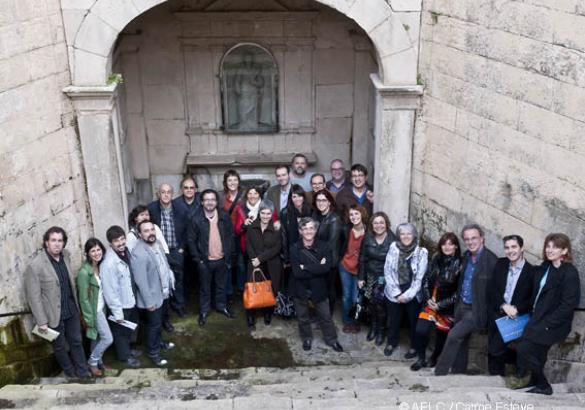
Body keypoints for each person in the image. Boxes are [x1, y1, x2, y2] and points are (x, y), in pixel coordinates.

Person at [512, 233, 580, 395]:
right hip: (536, 317)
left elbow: (569, 304)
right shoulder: (545, 266)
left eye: (555, 247)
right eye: (548, 246)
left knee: (524, 349)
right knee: (538, 353)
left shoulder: (569, 272)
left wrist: (549, 323)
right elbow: (535, 292)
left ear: (564, 251)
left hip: (552, 323)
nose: (550, 250)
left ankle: (544, 385)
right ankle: (534, 382)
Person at [24, 227, 89, 379]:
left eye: (60, 240)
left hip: (71, 310)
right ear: (46, 242)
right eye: (53, 240)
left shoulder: (66, 256)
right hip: (53, 315)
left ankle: (83, 372)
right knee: (59, 346)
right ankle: (70, 373)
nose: (57, 244)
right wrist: (41, 321)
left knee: (77, 341)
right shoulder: (36, 266)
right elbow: (34, 297)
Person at [435, 224, 498, 375]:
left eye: (474, 238)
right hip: (461, 306)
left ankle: (440, 373)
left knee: (453, 335)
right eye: (467, 239)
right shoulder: (466, 257)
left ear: (482, 238)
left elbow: (496, 290)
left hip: (476, 310)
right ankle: (458, 372)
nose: (470, 242)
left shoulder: (492, 261)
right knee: (461, 341)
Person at [289, 217, 343, 352]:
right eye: (305, 228)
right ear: (300, 231)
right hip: (300, 288)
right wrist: (317, 266)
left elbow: (326, 268)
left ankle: (332, 340)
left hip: (319, 287)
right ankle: (306, 338)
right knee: (302, 317)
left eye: (311, 228)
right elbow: (297, 272)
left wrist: (305, 266)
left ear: (316, 230)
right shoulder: (294, 248)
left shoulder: (324, 246)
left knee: (325, 316)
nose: (308, 231)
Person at [410, 233, 462, 371]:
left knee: (441, 336)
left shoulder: (461, 264)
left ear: (456, 246)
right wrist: (428, 298)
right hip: (431, 302)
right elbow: (426, 280)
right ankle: (421, 358)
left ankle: (434, 358)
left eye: (451, 244)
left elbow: (458, 293)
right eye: (444, 243)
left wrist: (441, 304)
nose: (447, 247)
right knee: (420, 330)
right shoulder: (436, 258)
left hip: (446, 307)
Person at [487, 235, 533, 376]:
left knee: (495, 349)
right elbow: (491, 289)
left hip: (515, 317)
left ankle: (522, 360)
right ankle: (495, 378)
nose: (510, 251)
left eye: (514, 247)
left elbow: (532, 300)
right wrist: (502, 305)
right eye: (507, 247)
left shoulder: (531, 271)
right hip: (497, 311)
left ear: (522, 248)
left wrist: (516, 309)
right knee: (492, 350)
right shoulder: (500, 264)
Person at [187, 189, 235, 326]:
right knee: (204, 288)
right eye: (206, 199)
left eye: (212, 199)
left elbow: (230, 236)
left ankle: (221, 306)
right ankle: (204, 311)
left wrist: (229, 255)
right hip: (205, 261)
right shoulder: (195, 218)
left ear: (216, 201)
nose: (210, 202)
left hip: (222, 259)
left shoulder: (224, 216)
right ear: (202, 202)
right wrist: (199, 260)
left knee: (221, 286)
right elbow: (191, 241)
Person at [132, 221, 176, 367]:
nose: (150, 233)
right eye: (146, 231)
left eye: (152, 229)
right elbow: (141, 281)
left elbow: (163, 265)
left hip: (162, 292)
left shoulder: (157, 243)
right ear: (139, 235)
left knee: (159, 323)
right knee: (154, 326)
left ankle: (159, 342)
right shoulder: (139, 253)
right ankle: (153, 353)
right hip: (151, 298)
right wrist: (149, 302)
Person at [383, 223, 428, 358]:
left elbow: (419, 279)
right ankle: (392, 342)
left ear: (414, 235)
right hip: (394, 290)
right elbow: (388, 271)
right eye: (402, 234)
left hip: (412, 291)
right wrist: (396, 293)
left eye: (409, 233)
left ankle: (414, 346)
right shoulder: (393, 247)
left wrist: (406, 296)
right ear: (399, 235)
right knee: (394, 319)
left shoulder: (421, 252)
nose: (406, 236)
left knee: (413, 321)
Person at [100, 225, 140, 368]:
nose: (121, 243)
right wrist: (117, 312)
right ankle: (124, 357)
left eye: (122, 239)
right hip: (120, 305)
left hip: (130, 300)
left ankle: (128, 351)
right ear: (110, 243)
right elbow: (110, 290)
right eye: (117, 241)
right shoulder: (108, 263)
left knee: (128, 330)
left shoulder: (125, 252)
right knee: (120, 333)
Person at [148, 183, 188, 318]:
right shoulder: (152, 209)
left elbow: (187, 230)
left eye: (168, 192)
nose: (166, 195)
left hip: (176, 250)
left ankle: (179, 306)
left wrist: (182, 248)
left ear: (172, 194)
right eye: (163, 192)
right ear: (158, 194)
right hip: (159, 252)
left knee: (178, 280)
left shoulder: (180, 208)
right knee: (161, 281)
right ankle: (165, 313)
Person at [77, 238, 114, 377]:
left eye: (99, 249)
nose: (97, 253)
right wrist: (89, 318)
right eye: (93, 250)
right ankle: (92, 362)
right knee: (108, 338)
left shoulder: (99, 265)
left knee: (97, 338)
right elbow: (83, 299)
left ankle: (99, 362)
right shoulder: (84, 273)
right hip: (94, 311)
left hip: (102, 307)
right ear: (87, 253)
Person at [358, 212, 396, 345]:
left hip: (385, 278)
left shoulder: (393, 240)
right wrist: (361, 277)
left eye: (381, 222)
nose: (378, 225)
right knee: (371, 304)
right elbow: (362, 258)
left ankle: (381, 331)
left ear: (386, 224)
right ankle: (373, 328)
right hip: (370, 276)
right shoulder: (367, 238)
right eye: (375, 223)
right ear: (372, 225)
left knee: (381, 306)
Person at [244, 201, 282, 329]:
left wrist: (260, 258)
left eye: (268, 213)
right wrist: (254, 258)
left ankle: (268, 314)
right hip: (254, 263)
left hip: (271, 264)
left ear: (272, 214)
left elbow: (277, 248)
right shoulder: (252, 226)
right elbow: (248, 244)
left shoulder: (276, 228)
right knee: (252, 288)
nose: (265, 216)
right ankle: (250, 316)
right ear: (259, 213)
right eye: (263, 213)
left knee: (269, 290)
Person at [339, 205, 368, 333]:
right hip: (345, 266)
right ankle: (347, 321)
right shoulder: (346, 229)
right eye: (351, 215)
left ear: (362, 214)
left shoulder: (369, 231)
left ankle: (356, 321)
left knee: (357, 297)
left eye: (356, 214)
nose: (354, 217)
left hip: (359, 270)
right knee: (346, 296)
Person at [313, 189, 342, 314]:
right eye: (318, 200)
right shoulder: (317, 215)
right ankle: (321, 314)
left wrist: (317, 257)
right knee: (319, 288)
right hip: (318, 257)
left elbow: (331, 244)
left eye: (324, 200)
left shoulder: (334, 219)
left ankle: (328, 315)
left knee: (329, 288)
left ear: (329, 202)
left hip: (329, 260)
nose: (321, 203)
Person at [220, 169, 245, 296]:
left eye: (235, 179)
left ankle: (241, 289)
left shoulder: (244, 196)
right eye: (229, 180)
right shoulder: (221, 197)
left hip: (241, 233)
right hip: (226, 235)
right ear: (225, 182)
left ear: (238, 181)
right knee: (227, 263)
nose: (232, 182)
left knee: (241, 263)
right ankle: (229, 292)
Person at [280, 184, 313, 267]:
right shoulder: (285, 213)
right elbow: (284, 236)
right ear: (290, 198)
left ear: (303, 197)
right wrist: (286, 257)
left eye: (300, 196)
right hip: (293, 251)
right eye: (294, 196)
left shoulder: (311, 210)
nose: (297, 199)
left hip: (310, 252)